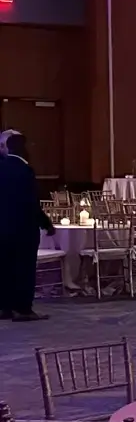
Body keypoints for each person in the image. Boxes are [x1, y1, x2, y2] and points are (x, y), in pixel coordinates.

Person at [0, 129, 54, 321]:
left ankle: (4, 307)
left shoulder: (2, 167)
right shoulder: (25, 170)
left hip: (3, 229)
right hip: (23, 229)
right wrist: (46, 223)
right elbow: (31, 202)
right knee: (24, 268)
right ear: (23, 148)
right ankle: (23, 309)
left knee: (5, 268)